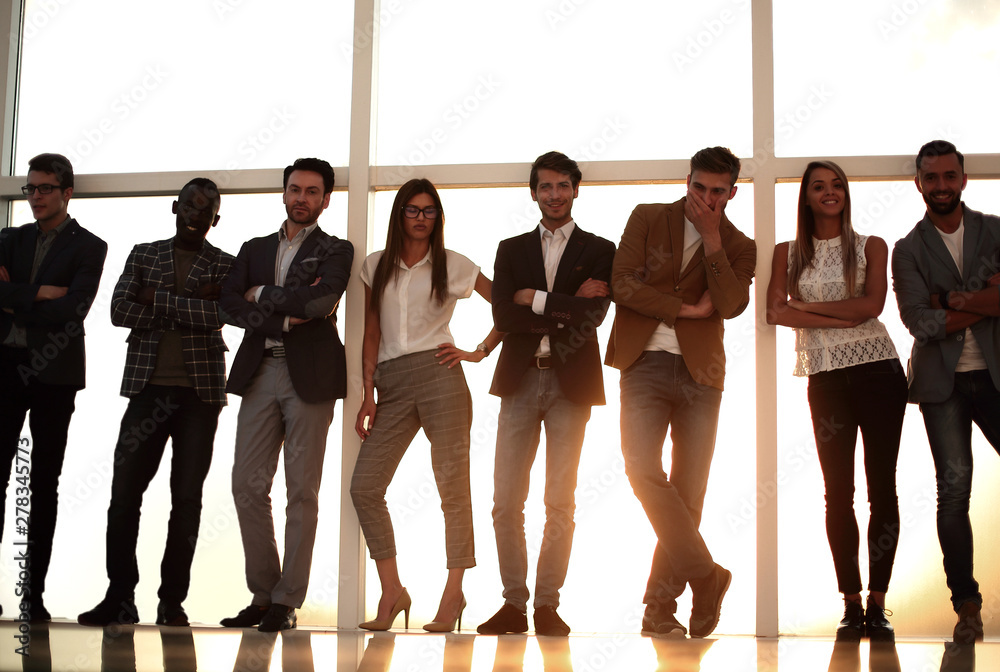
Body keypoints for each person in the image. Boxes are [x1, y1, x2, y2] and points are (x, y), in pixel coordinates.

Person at [606, 146, 755, 638]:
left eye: (718, 192)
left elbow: (732, 304)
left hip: (702, 373)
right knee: (643, 470)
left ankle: (659, 609)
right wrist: (685, 310)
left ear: (732, 192)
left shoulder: (739, 245)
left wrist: (713, 240)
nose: (706, 199)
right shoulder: (648, 217)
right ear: (686, 181)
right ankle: (707, 577)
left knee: (689, 491)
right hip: (643, 361)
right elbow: (621, 284)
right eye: (699, 188)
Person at [77, 178, 234, 627]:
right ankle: (119, 598)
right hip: (146, 392)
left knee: (186, 500)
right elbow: (118, 311)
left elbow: (222, 314)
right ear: (175, 207)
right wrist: (187, 303)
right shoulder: (144, 253)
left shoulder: (225, 264)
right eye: (188, 204)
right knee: (123, 496)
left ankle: (171, 603)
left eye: (205, 209)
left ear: (214, 219)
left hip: (200, 397)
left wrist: (156, 297)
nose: (195, 213)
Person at [351, 178, 502, 633]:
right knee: (364, 487)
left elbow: (505, 309)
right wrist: (368, 392)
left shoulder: (453, 265)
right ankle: (393, 591)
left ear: (437, 217)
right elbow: (371, 332)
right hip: (392, 382)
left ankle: (453, 593)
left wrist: (479, 351)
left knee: (452, 489)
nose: (420, 218)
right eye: (412, 210)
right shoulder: (375, 265)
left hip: (441, 375)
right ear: (400, 214)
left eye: (429, 211)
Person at [766, 161, 907, 637]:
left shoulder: (871, 246)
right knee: (838, 493)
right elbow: (774, 313)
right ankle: (850, 603)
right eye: (819, 187)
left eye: (837, 185)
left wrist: (804, 305)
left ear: (847, 194)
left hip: (879, 373)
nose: (830, 193)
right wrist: (840, 316)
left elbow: (871, 308)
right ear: (806, 197)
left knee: (881, 487)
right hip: (825, 377)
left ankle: (879, 604)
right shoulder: (785, 254)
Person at [477, 151, 615, 637]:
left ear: (576, 189)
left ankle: (547, 607)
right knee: (505, 501)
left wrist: (534, 299)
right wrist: (567, 305)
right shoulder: (511, 249)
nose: (554, 194)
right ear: (533, 192)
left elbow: (593, 316)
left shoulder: (601, 248)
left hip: (570, 383)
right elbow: (504, 318)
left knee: (560, 501)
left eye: (562, 185)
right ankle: (514, 605)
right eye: (545, 186)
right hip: (519, 378)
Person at [219, 158, 353, 632]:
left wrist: (262, 294)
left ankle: (286, 601)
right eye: (295, 189)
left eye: (312, 192)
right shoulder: (253, 248)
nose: (302, 198)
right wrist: (280, 314)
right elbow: (229, 303)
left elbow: (320, 303)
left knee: (302, 491)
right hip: (260, 371)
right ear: (284, 193)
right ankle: (263, 594)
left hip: (310, 377)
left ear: (325, 200)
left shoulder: (337, 249)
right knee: (246, 485)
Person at [891, 140, 1000, 644]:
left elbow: (939, 312)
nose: (941, 186)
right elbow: (919, 321)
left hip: (997, 376)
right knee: (954, 492)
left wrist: (949, 299)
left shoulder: (995, 230)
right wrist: (987, 303)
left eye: (948, 176)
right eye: (931, 178)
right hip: (943, 386)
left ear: (963, 178)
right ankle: (967, 608)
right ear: (919, 184)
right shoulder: (908, 249)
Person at [0, 153, 107, 621]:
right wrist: (42, 293)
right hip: (4, 368)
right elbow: (53, 303)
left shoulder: (90, 246)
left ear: (67, 192)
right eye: (31, 188)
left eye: (45, 188)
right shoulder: (9, 238)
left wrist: (14, 297)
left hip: (54, 376)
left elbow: (74, 311)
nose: (36, 196)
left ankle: (33, 597)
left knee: (44, 483)